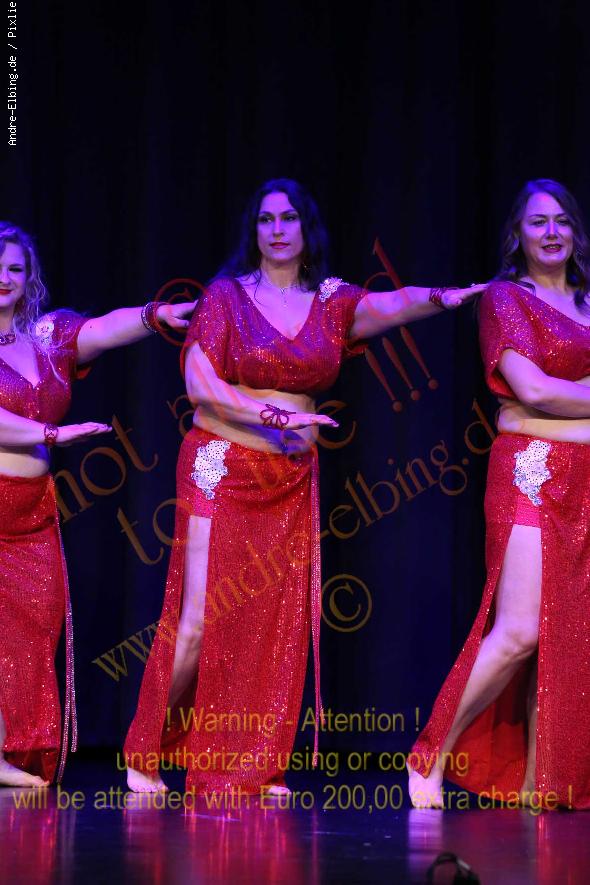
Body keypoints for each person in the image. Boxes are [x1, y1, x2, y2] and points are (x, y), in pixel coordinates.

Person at [124, 177, 484, 796]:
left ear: (305, 227)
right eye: (266, 219)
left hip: (288, 477)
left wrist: (446, 298)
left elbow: (393, 305)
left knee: (274, 623)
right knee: (201, 621)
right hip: (220, 463)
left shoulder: (332, 301)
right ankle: (144, 751)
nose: (277, 229)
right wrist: (274, 416)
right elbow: (201, 387)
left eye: (288, 218)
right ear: (254, 231)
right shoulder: (226, 297)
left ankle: (252, 764)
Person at [408, 178, 590, 810]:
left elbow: (549, 399)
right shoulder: (505, 298)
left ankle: (545, 777)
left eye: (562, 221)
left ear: (576, 233)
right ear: (518, 234)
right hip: (531, 473)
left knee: (570, 636)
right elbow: (530, 390)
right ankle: (429, 752)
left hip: (585, 478)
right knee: (518, 632)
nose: (551, 232)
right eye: (538, 222)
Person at [0, 222, 194, 788]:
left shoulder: (47, 336)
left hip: (33, 509)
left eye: (14, 268)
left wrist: (154, 315)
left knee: (38, 622)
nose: (3, 278)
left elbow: (103, 329)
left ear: (29, 277)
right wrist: (53, 435)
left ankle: (13, 745)